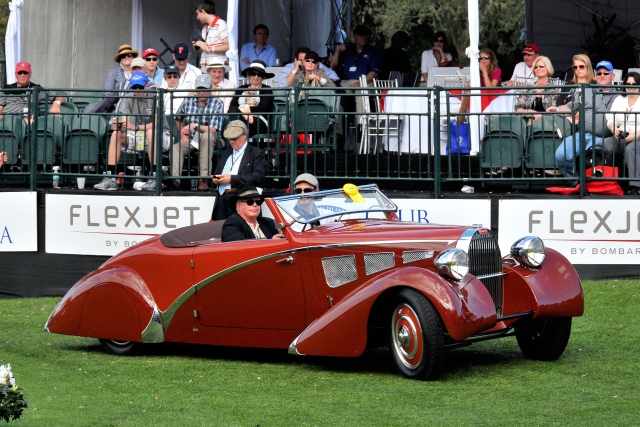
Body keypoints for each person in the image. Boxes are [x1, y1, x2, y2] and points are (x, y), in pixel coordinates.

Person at [94, 72, 170, 191]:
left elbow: (156, 124)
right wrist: (119, 126)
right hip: (140, 135)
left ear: (146, 85)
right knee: (116, 134)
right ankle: (110, 177)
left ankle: (155, 178)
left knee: (151, 132)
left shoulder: (156, 97)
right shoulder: (129, 98)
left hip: (162, 136)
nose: (138, 90)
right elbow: (125, 123)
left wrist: (136, 127)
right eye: (135, 87)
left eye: (140, 87)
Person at [547, 57, 618, 179]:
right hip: (582, 134)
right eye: (599, 73)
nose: (602, 75)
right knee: (561, 155)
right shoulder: (586, 91)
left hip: (604, 138)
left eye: (606, 73)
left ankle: (585, 184)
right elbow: (570, 107)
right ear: (595, 76)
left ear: (613, 76)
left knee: (588, 158)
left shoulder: (620, 96)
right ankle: (575, 182)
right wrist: (557, 109)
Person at [172, 74, 224, 191]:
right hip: (193, 139)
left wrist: (194, 126)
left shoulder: (217, 102)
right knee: (176, 147)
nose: (202, 92)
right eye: (200, 89)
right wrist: (182, 132)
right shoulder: (188, 100)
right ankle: (175, 180)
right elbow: (177, 118)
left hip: (214, 139)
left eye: (205, 89)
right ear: (195, 89)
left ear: (210, 88)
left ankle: (203, 179)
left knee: (207, 136)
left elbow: (213, 129)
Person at [212, 120, 267, 220]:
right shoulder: (226, 153)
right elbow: (217, 172)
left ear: (245, 135)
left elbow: (259, 176)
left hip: (242, 199)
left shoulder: (256, 153)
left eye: (235, 138)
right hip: (222, 199)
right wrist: (216, 179)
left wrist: (232, 179)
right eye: (230, 139)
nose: (232, 141)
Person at [605, 72, 640, 194]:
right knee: (601, 146)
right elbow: (610, 118)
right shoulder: (619, 99)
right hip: (621, 135)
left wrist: (635, 135)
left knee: (631, 149)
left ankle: (635, 186)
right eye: (628, 84)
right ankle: (603, 183)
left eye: (634, 84)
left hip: (638, 136)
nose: (631, 86)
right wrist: (614, 128)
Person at [0, 62, 64, 118]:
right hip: (7, 122)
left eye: (25, 73)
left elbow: (61, 97)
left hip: (26, 122)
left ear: (30, 74)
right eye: (20, 73)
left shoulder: (36, 89)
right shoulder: (7, 88)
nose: (22, 75)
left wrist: (56, 103)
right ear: (16, 74)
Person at [229, 60, 274, 137]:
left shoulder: (266, 89)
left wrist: (250, 110)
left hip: (258, 119)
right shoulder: (241, 88)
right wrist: (244, 112)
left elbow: (265, 107)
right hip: (241, 117)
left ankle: (237, 143)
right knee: (234, 112)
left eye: (259, 74)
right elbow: (232, 106)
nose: (256, 77)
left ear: (263, 77)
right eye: (253, 74)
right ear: (249, 75)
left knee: (237, 127)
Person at [193, 1, 229, 67]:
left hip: (218, 68)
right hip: (206, 67)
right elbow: (206, 50)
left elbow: (228, 46)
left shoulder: (221, 24)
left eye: (197, 13)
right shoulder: (204, 28)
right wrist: (199, 46)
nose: (197, 17)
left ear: (203, 11)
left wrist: (208, 48)